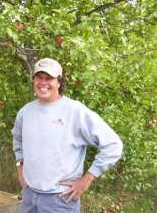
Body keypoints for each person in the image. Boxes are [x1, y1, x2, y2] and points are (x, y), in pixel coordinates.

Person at [12, 58, 123, 213]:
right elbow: (17, 140)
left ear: (59, 82)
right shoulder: (25, 112)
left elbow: (113, 145)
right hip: (29, 196)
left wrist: (86, 180)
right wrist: (20, 166)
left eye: (49, 78)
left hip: (61, 200)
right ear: (33, 80)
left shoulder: (75, 111)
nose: (43, 82)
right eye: (39, 77)